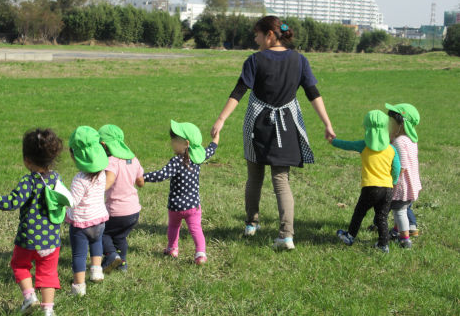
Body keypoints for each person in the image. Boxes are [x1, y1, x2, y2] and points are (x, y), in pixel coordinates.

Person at [210, 15, 335, 250]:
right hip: (287, 126)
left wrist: (221, 119)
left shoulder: (255, 60)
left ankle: (251, 223)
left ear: (269, 35)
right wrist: (327, 123)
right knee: (281, 180)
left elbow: (239, 91)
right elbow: (313, 93)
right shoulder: (299, 60)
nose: (255, 38)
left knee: (254, 177)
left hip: (259, 125)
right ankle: (287, 235)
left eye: (257, 33)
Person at [0, 128, 64, 316]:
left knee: (19, 265)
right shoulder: (56, 178)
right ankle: (48, 311)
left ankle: (29, 297)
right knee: (48, 274)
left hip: (28, 239)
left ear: (27, 160)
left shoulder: (29, 181)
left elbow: (12, 202)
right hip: (51, 240)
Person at [143, 120, 219, 265]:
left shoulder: (176, 161)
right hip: (193, 206)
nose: (171, 142)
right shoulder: (199, 157)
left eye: (174, 140)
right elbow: (211, 149)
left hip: (175, 207)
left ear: (186, 143)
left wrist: (143, 177)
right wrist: (216, 138)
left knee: (173, 227)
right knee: (196, 229)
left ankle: (172, 248)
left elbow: (161, 175)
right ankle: (201, 253)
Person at [331, 110, 401, 253]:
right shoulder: (391, 149)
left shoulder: (363, 145)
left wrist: (333, 141)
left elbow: (346, 145)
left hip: (370, 187)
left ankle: (350, 236)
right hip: (387, 189)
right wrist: (393, 180)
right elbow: (397, 168)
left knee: (359, 213)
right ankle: (383, 244)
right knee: (382, 217)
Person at [67, 126, 110, 296]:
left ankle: (79, 286)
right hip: (99, 220)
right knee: (96, 244)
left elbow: (73, 201)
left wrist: (61, 198)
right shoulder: (102, 174)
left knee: (78, 255)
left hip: (81, 224)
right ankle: (96, 271)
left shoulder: (79, 179)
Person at [99, 124, 145, 273]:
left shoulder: (112, 161)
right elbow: (141, 182)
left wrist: (96, 190)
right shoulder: (133, 159)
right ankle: (122, 264)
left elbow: (109, 181)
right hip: (133, 212)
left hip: (116, 211)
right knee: (120, 237)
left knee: (102, 233)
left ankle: (111, 255)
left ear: (103, 145)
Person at [385, 103, 422, 248]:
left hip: (402, 185)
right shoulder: (411, 139)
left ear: (401, 125)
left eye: (391, 123)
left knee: (399, 211)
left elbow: (403, 166)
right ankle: (396, 230)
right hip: (411, 183)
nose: (389, 125)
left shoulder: (399, 142)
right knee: (402, 209)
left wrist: (393, 181)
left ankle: (405, 238)